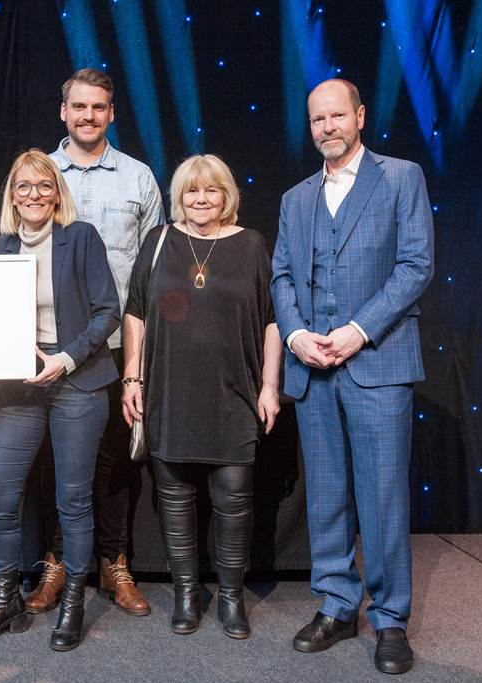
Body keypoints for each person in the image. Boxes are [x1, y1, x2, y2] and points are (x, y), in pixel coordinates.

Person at [271, 79, 434, 674]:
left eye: (337, 116)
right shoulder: (295, 198)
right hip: (314, 370)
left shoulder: (401, 177)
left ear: (360, 116)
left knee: (383, 496)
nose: (328, 127)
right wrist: (295, 336)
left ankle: (389, 619)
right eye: (318, 119)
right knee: (327, 494)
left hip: (377, 364)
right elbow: (281, 275)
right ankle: (338, 605)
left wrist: (358, 331)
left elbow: (415, 265)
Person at [0, 149, 120, 652]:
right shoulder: (0, 248)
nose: (34, 195)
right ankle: (6, 597)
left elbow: (108, 311)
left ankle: (73, 603)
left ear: (57, 193)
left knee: (73, 499)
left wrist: (66, 358)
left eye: (44, 186)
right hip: (20, 387)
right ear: (12, 196)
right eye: (24, 187)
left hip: (77, 381)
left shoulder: (82, 237)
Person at [122, 154, 282, 639]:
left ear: (226, 195)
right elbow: (135, 313)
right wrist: (131, 377)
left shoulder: (252, 245)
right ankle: (186, 596)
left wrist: (270, 385)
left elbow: (273, 320)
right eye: (191, 190)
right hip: (169, 393)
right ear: (179, 197)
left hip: (234, 394)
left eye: (211, 190)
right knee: (174, 500)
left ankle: (231, 598)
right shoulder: (158, 241)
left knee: (234, 502)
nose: (201, 199)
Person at [24, 68, 164, 618]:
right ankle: (57, 563)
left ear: (111, 113)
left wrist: (142, 357)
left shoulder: (138, 178)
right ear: (64, 112)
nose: (87, 116)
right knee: (56, 463)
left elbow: (153, 269)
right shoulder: (39, 173)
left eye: (98, 107)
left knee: (116, 462)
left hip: (118, 346)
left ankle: (114, 561)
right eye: (78, 106)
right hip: (52, 352)